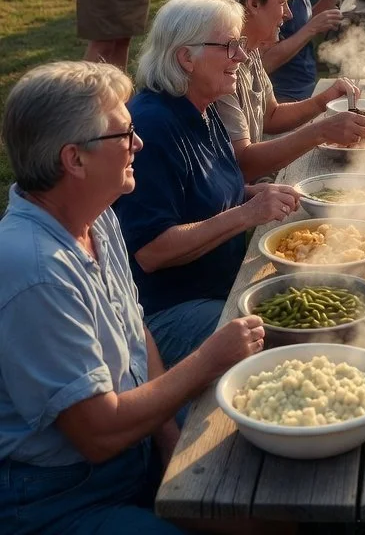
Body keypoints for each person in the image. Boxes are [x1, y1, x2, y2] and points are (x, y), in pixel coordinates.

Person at [0, 60, 265, 535]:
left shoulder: (96, 216)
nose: (137, 145)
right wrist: (207, 360)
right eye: (123, 135)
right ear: (73, 160)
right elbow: (99, 434)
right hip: (59, 498)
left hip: (134, 448)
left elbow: (136, 333)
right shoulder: (35, 271)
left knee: (269, 501)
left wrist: (167, 438)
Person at [114, 0, 300, 367]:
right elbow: (152, 250)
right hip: (168, 313)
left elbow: (200, 193)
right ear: (186, 57)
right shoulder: (151, 128)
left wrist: (251, 194)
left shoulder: (200, 104)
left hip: (219, 286)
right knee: (292, 344)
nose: (243, 56)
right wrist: (247, 214)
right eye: (231, 46)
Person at [214, 0, 365, 167]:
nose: (288, 14)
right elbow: (243, 162)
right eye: (282, 2)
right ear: (253, 3)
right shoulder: (219, 65)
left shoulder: (249, 48)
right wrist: (321, 131)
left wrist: (323, 100)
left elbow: (270, 116)